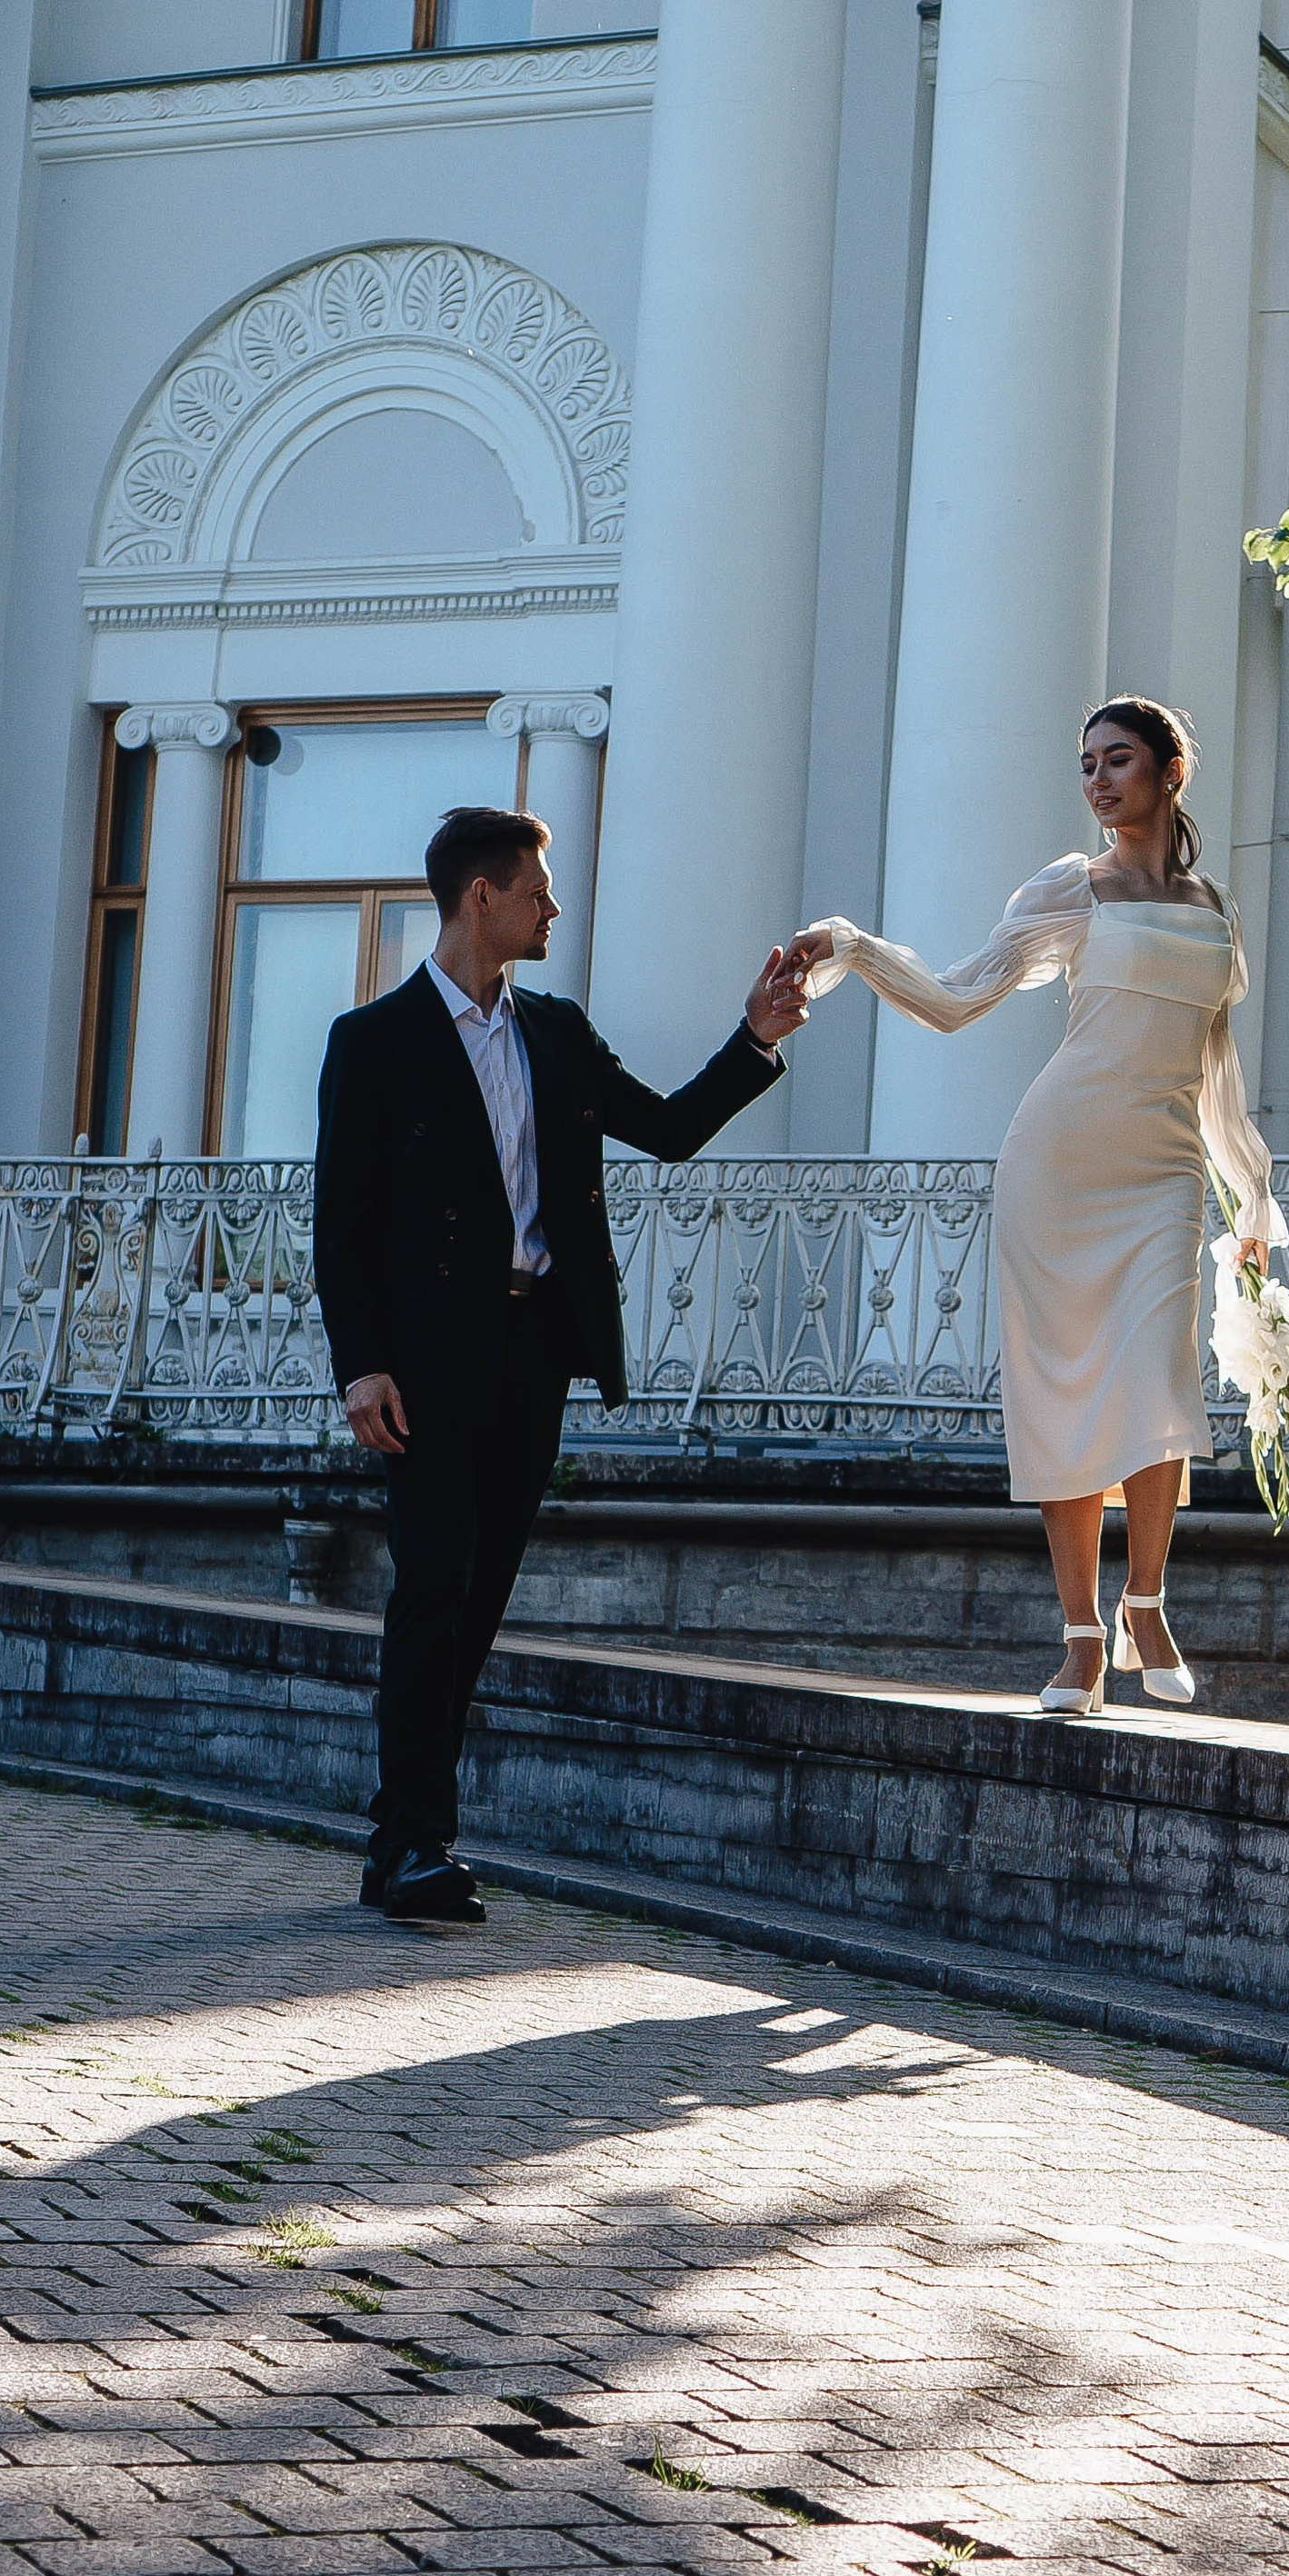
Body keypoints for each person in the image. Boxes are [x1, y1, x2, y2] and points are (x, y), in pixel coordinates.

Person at [315, 804, 810, 1925]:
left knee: (479, 1596)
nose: (553, 908)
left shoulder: (556, 1030)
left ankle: (404, 1838)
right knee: (432, 1587)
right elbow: (341, 1222)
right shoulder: (374, 1041)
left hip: (534, 1346)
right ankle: (414, 1842)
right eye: (537, 890)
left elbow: (668, 1129)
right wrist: (362, 1365)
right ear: (480, 896)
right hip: (427, 1362)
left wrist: (755, 1037)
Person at [790, 697, 1283, 1713]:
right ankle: (1081, 1642)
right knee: (1062, 1395)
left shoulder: (1217, 909)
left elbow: (1217, 1066)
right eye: (1087, 763)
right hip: (1060, 1164)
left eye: (1119, 760)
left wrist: (1252, 1195)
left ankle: (1146, 1603)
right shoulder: (1073, 889)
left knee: (1157, 1383)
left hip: (1164, 1172)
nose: (1098, 780)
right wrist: (856, 947)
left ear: (1170, 771)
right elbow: (958, 998)